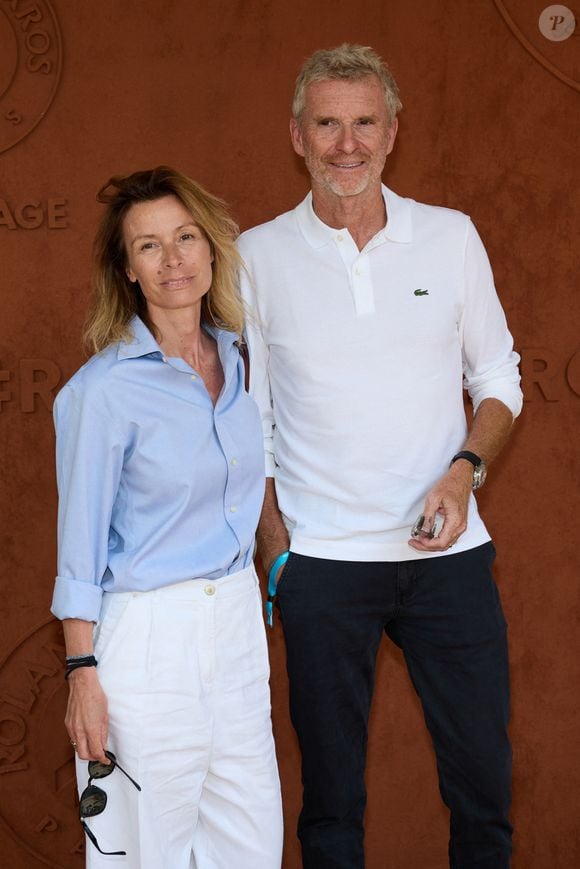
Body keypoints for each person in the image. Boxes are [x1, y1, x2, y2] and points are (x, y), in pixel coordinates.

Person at [239, 44, 522, 869]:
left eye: (365, 122)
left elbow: (499, 377)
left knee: (484, 788)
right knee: (331, 805)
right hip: (322, 564)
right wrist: (276, 550)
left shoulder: (451, 237)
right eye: (327, 123)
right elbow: (247, 420)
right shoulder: (256, 256)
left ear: (393, 131)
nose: (347, 144)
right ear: (298, 135)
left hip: (450, 562)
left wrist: (464, 470)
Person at [50, 166, 283, 869]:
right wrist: (82, 671)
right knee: (136, 854)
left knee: (249, 849)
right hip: (146, 644)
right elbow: (79, 551)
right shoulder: (102, 392)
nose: (174, 258)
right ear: (127, 269)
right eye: (149, 246)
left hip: (238, 634)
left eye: (186, 237)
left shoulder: (239, 360)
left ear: (213, 248)